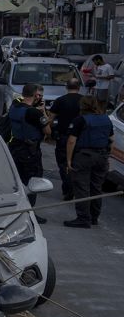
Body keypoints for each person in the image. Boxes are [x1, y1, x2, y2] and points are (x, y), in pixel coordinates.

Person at [64, 96, 113, 228]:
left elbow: (71, 141)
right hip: (102, 156)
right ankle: (94, 217)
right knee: (96, 188)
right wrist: (108, 156)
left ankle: (83, 218)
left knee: (82, 187)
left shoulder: (80, 120)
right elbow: (111, 139)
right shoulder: (106, 119)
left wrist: (68, 160)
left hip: (84, 156)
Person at [7, 83, 51, 216]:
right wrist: (42, 111)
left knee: (17, 180)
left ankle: (16, 208)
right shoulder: (33, 112)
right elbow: (48, 131)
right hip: (29, 152)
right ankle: (29, 212)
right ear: (36, 95)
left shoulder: (14, 106)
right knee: (33, 181)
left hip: (15, 147)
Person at [50, 80, 85, 201]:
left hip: (64, 136)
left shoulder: (60, 100)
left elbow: (51, 118)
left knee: (64, 164)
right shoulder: (84, 100)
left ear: (66, 87)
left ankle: (68, 189)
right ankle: (77, 188)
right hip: (81, 138)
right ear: (79, 87)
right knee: (78, 164)